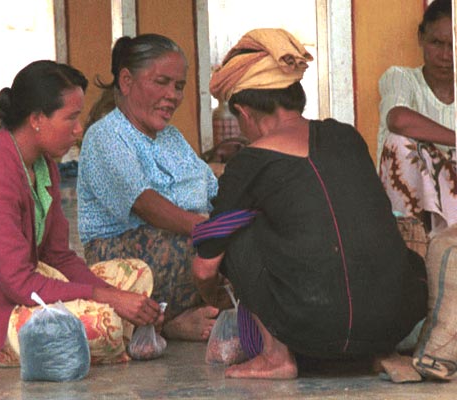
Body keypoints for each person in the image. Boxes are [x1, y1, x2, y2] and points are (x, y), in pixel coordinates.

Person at [193, 28, 428, 380]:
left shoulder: (250, 162)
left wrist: (217, 300)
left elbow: (204, 268)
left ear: (243, 111)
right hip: (391, 325)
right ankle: (379, 352)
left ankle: (276, 357)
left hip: (315, 332)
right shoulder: (347, 136)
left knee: (235, 234)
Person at [0, 60, 163, 367]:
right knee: (105, 321)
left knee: (136, 274)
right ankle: (118, 338)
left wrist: (110, 293)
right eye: (71, 119)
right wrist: (109, 299)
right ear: (37, 119)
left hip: (18, 293)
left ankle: (118, 337)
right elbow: (19, 284)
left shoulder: (42, 164)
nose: (78, 131)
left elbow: (58, 256)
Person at [77, 33, 219, 341]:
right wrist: (210, 229)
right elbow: (145, 205)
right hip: (128, 260)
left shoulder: (172, 138)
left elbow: (211, 186)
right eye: (161, 82)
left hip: (185, 240)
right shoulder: (106, 136)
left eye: (178, 86)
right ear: (127, 81)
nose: (172, 94)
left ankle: (184, 318)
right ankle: (166, 322)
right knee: (204, 246)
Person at [377, 0, 456, 236]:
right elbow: (398, 119)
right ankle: (412, 245)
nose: (445, 55)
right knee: (399, 142)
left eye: (453, 45)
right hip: (417, 209)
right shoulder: (401, 78)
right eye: (436, 43)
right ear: (420, 38)